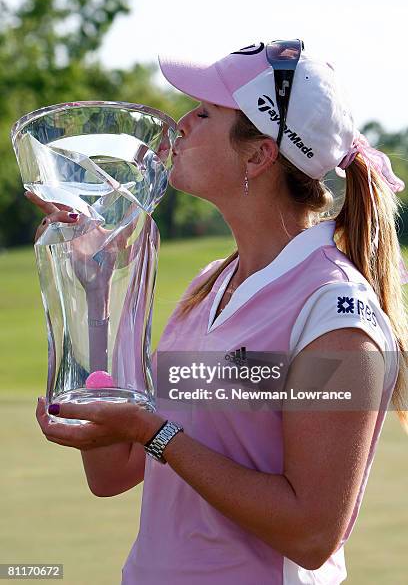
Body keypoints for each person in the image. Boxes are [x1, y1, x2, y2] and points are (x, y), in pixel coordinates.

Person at [32, 39, 408, 584]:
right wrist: (97, 291)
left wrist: (154, 431)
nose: (179, 124)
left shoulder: (336, 314)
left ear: (258, 155)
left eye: (204, 113)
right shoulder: (211, 285)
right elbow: (112, 472)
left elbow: (311, 533)